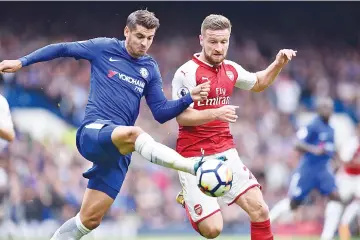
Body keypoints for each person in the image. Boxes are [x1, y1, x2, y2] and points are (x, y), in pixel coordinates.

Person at [0, 10, 210, 240]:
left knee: (88, 221)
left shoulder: (149, 68)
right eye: (140, 36)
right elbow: (62, 49)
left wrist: (188, 97)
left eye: (150, 38)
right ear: (126, 31)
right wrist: (22, 62)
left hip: (117, 150)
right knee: (135, 134)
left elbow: (160, 112)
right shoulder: (103, 48)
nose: (145, 43)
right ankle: (193, 167)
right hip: (93, 132)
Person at [171, 14, 296, 240]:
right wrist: (216, 112)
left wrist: (278, 64)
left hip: (226, 152)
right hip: (193, 157)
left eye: (224, 41)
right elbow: (181, 117)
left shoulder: (230, 69)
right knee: (213, 230)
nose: (219, 47)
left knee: (261, 210)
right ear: (201, 39)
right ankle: (188, 198)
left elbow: (258, 83)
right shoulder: (186, 73)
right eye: (213, 42)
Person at [269, 97, 343, 240]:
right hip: (308, 169)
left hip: (323, 170)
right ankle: (266, 222)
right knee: (293, 203)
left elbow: (330, 149)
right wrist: (314, 149)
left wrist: (336, 160)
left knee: (336, 198)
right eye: (325, 107)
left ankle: (327, 236)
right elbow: (297, 143)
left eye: (330, 107)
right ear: (319, 109)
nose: (328, 110)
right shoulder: (312, 125)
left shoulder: (331, 129)